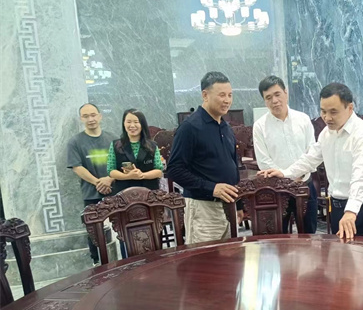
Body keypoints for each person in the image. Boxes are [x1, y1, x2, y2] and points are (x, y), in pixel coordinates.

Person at [259, 83, 363, 241]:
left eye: (333, 112)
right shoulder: (327, 134)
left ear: (350, 108)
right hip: (335, 205)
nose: (327, 118)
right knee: (338, 252)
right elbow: (310, 159)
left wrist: (351, 211)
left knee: (358, 254)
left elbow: (361, 177)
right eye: (323, 111)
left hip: (357, 208)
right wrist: (285, 173)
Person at [167, 72, 244, 244]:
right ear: (205, 95)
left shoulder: (226, 127)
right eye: (222, 95)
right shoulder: (190, 127)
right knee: (204, 258)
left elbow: (233, 166)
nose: (227, 100)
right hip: (203, 208)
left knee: (230, 256)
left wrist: (238, 204)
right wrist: (211, 188)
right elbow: (174, 169)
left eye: (230, 95)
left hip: (228, 206)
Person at [253, 75, 318, 234]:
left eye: (277, 94)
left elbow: (312, 152)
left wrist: (295, 173)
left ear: (286, 93)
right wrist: (286, 178)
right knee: (278, 238)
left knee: (309, 235)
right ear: (264, 101)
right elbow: (263, 161)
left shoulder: (303, 119)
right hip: (277, 191)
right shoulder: (260, 126)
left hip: (304, 185)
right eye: (268, 97)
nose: (274, 101)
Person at [67, 103, 117, 266]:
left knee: (120, 229)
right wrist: (98, 182)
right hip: (91, 194)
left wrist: (109, 179)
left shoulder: (113, 139)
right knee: (94, 232)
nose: (90, 119)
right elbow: (77, 167)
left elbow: (121, 163)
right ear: (81, 119)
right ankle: (97, 263)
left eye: (93, 115)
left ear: (100, 116)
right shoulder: (75, 142)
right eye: (86, 116)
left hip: (115, 192)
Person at [107, 109, 163, 193]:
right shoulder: (116, 145)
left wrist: (142, 175)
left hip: (149, 193)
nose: (132, 125)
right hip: (123, 194)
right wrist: (128, 176)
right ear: (124, 123)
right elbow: (111, 171)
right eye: (128, 122)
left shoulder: (152, 145)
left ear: (142, 124)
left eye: (136, 122)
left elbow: (159, 171)